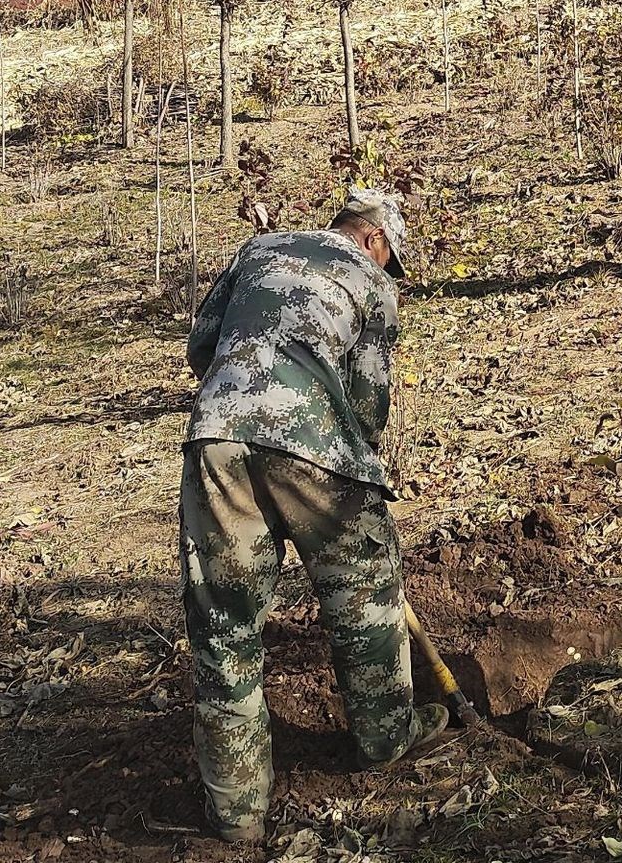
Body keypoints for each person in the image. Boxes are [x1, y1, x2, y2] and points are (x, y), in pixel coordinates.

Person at [179, 187, 446, 845]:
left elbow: (200, 348)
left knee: (224, 625)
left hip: (216, 436)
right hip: (316, 441)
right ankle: (386, 739)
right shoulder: (371, 283)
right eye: (390, 260)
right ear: (375, 241)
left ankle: (237, 815)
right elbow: (369, 403)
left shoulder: (259, 249)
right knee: (365, 596)